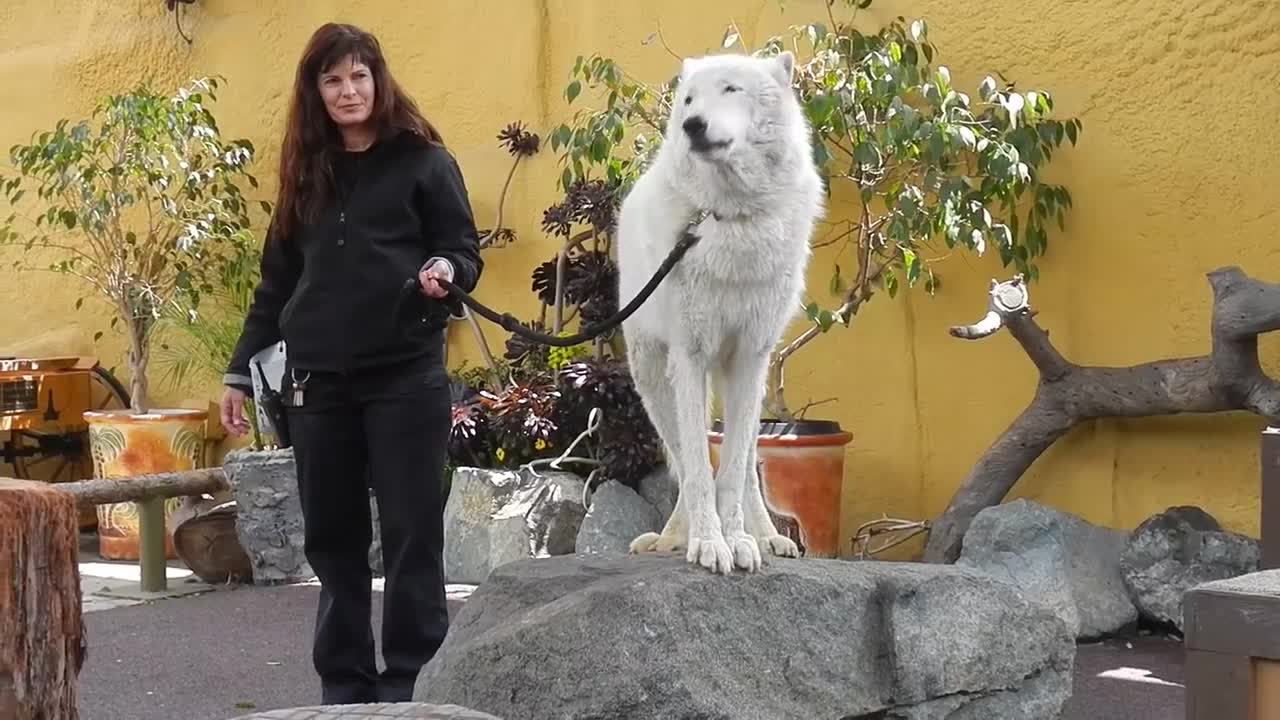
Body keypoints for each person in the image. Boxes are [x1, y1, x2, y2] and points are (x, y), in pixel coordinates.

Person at [219, 22, 483, 704]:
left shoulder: (424, 161)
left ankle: (412, 683)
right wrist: (236, 373)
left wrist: (443, 267)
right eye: (332, 79)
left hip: (405, 375)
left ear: (378, 79)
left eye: (358, 75)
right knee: (333, 544)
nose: (347, 90)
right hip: (317, 385)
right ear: (316, 91)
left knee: (411, 533)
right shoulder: (306, 171)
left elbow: (463, 249)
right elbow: (276, 284)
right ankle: (344, 686)